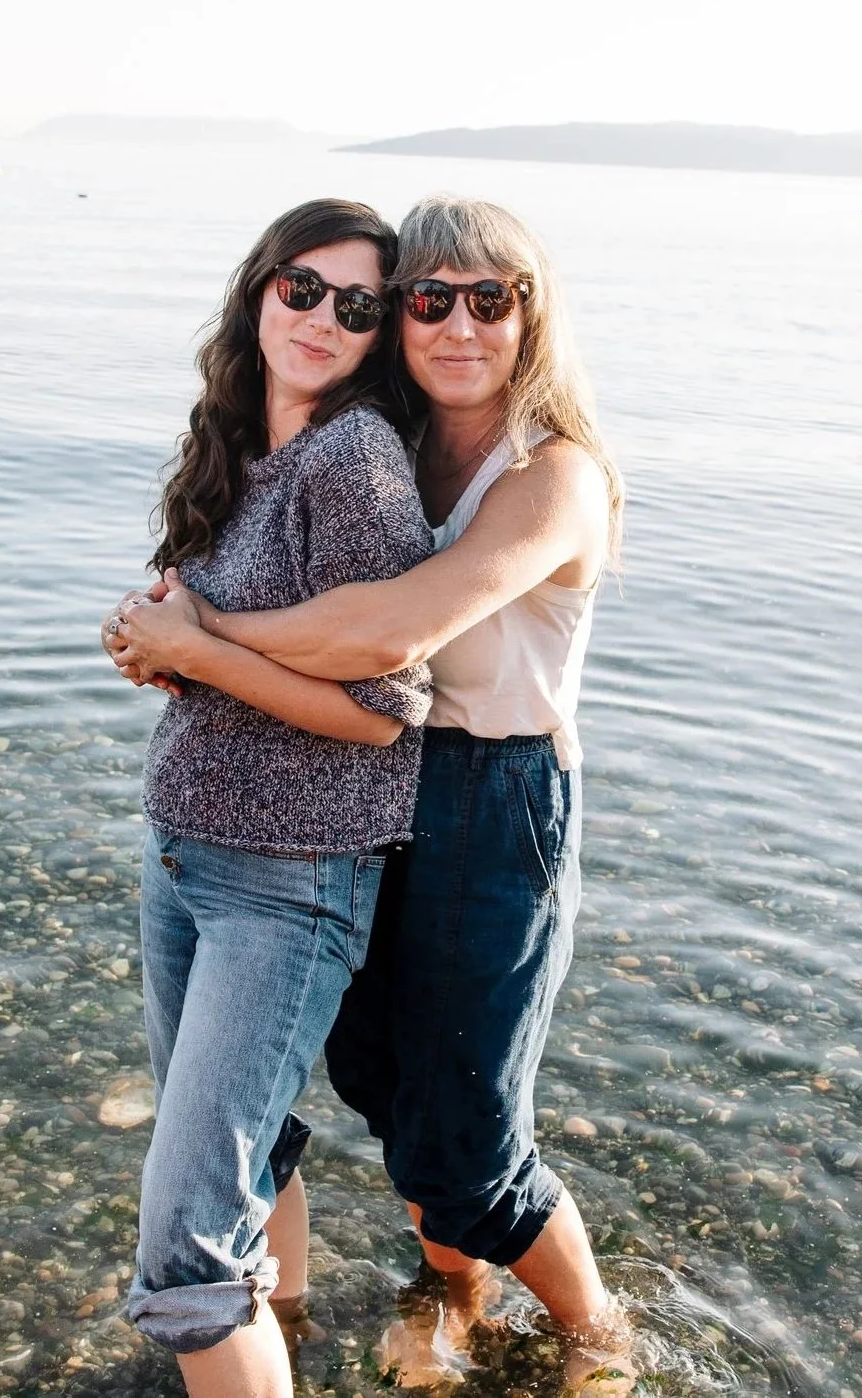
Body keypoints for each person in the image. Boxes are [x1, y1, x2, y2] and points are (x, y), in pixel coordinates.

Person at [110, 193, 632, 1393]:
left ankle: (595, 1339)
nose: (456, 325)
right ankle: (450, 1293)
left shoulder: (554, 474)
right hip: (361, 788)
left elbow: (390, 632)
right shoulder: (382, 438)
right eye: (425, 300)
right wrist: (164, 628)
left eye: (488, 300)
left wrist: (196, 636)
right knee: (383, 1090)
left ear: (529, 316)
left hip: (493, 796)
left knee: (466, 1132)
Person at [103, 198, 434, 1398]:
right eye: (304, 287)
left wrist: (195, 650)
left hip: (289, 881)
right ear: (261, 288)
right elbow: (218, 639)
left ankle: (239, 1338)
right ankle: (278, 1329)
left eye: (359, 307)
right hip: (185, 855)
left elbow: (388, 709)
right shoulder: (238, 443)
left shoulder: (353, 461)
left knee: (183, 1253)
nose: (324, 319)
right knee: (256, 1160)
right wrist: (149, 637)